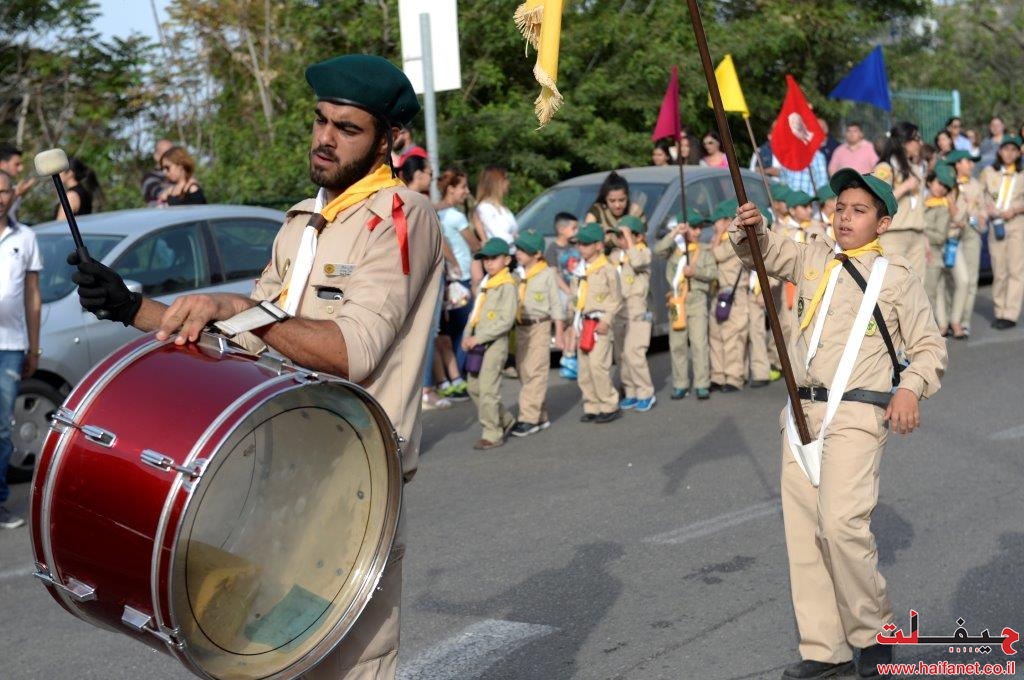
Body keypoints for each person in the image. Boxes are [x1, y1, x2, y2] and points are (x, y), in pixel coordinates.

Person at [68, 53, 442, 679]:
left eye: (347, 128)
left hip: (355, 480)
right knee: (268, 659)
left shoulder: (402, 218)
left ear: (388, 140)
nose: (325, 138)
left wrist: (243, 307)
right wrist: (134, 308)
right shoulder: (301, 223)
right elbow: (247, 345)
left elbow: (352, 352)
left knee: (349, 665)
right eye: (320, 121)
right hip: (281, 469)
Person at [730, 169, 946, 680]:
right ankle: (824, 648)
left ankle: (873, 636)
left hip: (856, 412)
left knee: (841, 525)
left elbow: (929, 347)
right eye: (840, 207)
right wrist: (750, 228)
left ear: (882, 223)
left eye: (859, 211)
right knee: (805, 533)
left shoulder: (896, 277)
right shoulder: (812, 256)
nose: (845, 217)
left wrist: (910, 388)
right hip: (801, 411)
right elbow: (762, 252)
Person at [0, 170, 41, 530]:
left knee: (2, 428)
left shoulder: (26, 237)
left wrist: (34, 348)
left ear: (13, 194)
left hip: (11, 346)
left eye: (3, 191)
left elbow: (33, 296)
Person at [655, 208, 715, 400]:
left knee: (699, 343)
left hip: (697, 300)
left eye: (699, 228)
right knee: (677, 344)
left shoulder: (703, 250)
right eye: (694, 228)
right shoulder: (674, 249)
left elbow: (713, 273)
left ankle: (702, 383)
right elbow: (657, 250)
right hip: (676, 302)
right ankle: (680, 383)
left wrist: (695, 272)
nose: (697, 232)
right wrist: (674, 233)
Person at [462, 238, 517, 449]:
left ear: (507, 260)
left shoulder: (507, 285)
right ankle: (505, 419)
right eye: (485, 259)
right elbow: (475, 314)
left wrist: (479, 337)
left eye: (494, 258)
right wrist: (467, 336)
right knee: (473, 387)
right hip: (477, 341)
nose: (489, 263)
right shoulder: (486, 283)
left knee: (488, 389)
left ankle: (492, 433)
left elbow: (506, 321)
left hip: (495, 342)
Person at [510, 230, 565, 436]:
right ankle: (541, 415)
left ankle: (528, 418)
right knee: (524, 370)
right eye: (518, 248)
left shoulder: (547, 274)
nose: (518, 253)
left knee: (535, 371)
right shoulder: (516, 275)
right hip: (520, 328)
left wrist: (559, 333)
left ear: (538, 254)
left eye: (524, 250)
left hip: (539, 326)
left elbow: (556, 304)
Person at [573, 222, 622, 422]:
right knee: (584, 369)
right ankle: (592, 405)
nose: (581, 248)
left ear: (599, 245)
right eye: (579, 244)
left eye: (586, 244)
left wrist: (607, 320)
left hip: (600, 322)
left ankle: (609, 404)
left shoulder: (608, 269)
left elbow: (616, 299)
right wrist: (571, 323)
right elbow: (575, 297)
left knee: (598, 366)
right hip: (583, 322)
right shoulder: (579, 270)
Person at [610, 215, 655, 412]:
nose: (621, 239)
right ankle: (630, 391)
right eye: (619, 236)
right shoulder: (615, 255)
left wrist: (630, 240)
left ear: (639, 237)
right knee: (621, 355)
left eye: (625, 235)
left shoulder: (643, 252)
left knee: (634, 353)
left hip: (637, 310)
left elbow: (637, 263)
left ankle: (645, 392)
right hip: (619, 310)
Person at [979, 135, 1024, 329]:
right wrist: (986, 208)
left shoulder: (1021, 174)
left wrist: (1015, 209)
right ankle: (999, 310)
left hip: (1016, 224)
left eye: (1014, 150)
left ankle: (1010, 314)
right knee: (999, 270)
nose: (1009, 153)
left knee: (1016, 269)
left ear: (1019, 153)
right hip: (995, 224)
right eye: (1006, 149)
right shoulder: (989, 172)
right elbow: (978, 194)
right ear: (999, 151)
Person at [873, 121, 927, 280]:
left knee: (917, 284)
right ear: (904, 142)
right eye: (917, 139)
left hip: (917, 234)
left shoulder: (916, 168)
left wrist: (925, 237)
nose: (920, 143)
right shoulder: (885, 167)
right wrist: (905, 187)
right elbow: (879, 200)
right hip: (894, 235)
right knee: (892, 283)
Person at [436, 168, 474, 386]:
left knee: (447, 332)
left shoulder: (437, 213)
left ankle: (452, 377)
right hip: (462, 277)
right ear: (450, 189)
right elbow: (474, 245)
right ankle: (460, 375)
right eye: (463, 187)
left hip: (449, 278)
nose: (466, 191)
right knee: (463, 330)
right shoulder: (457, 217)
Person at [708, 199, 749, 393]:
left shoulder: (736, 237)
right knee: (716, 335)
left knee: (733, 337)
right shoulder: (721, 239)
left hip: (734, 293)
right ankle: (718, 374)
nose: (715, 225)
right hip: (720, 293)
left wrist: (718, 233)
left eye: (718, 221)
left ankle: (734, 377)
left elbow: (715, 255)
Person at [943, 150, 985, 337]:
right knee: (951, 279)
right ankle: (948, 318)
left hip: (971, 232)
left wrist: (981, 216)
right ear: (957, 164)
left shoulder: (975, 184)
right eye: (968, 161)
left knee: (971, 279)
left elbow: (982, 208)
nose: (971, 165)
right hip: (951, 234)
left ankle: (963, 321)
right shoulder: (947, 185)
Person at [921, 166, 964, 335]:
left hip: (933, 256)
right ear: (929, 182)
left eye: (946, 187)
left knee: (929, 295)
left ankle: (928, 334)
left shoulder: (943, 207)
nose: (942, 189)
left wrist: (920, 229)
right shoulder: (919, 201)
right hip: (917, 254)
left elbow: (940, 237)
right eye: (940, 183)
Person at [544, 212, 581, 379]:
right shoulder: (552, 249)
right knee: (569, 324)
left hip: (577, 290)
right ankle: (568, 356)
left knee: (574, 324)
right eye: (574, 228)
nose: (576, 231)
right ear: (561, 229)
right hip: (563, 293)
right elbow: (554, 274)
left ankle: (568, 356)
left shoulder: (576, 246)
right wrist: (568, 291)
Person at [585, 171, 648, 248]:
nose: (617, 205)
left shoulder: (635, 211)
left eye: (621, 200)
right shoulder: (597, 211)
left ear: (627, 197)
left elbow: (642, 240)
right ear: (605, 199)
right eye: (612, 201)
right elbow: (588, 237)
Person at [472, 165, 517, 245]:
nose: (508, 182)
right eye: (506, 178)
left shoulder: (503, 208)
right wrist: (516, 238)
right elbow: (499, 236)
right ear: (499, 182)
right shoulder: (485, 208)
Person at [0, 143, 36, 224]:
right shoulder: (16, 192)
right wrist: (17, 194)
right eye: (16, 164)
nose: (21, 168)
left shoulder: (14, 188)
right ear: (2, 164)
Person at [141, 138, 174, 205]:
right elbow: (161, 194)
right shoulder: (149, 177)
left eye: (173, 153)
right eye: (166, 153)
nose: (170, 156)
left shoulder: (183, 175)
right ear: (156, 156)